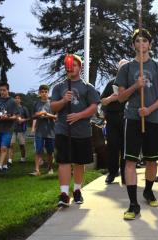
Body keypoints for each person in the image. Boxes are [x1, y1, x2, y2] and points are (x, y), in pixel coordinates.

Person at [116, 29, 158, 220]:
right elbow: (121, 97)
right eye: (137, 41)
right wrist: (135, 86)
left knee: (152, 160)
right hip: (132, 119)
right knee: (130, 160)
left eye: (144, 41)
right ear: (133, 45)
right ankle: (133, 204)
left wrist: (150, 109)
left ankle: (148, 190)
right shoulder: (126, 68)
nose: (141, 44)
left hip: (153, 120)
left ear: (150, 44)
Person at [51, 54, 100, 207]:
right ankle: (64, 194)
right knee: (64, 161)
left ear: (80, 67)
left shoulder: (87, 87)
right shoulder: (59, 87)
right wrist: (64, 100)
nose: (71, 67)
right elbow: (53, 107)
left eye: (74, 65)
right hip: (63, 129)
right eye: (68, 65)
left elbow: (93, 107)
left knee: (79, 162)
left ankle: (77, 190)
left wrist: (79, 115)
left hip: (82, 131)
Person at [101, 59, 128, 184]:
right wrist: (112, 98)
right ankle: (112, 173)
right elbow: (102, 101)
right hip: (112, 119)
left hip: (127, 119)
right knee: (112, 147)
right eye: (121, 67)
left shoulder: (131, 84)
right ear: (118, 69)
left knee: (125, 148)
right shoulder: (111, 83)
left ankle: (125, 174)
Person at [0, 82, 18, 175]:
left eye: (4, 90)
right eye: (0, 90)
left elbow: (16, 117)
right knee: (0, 149)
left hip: (8, 129)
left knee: (4, 148)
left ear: (8, 90)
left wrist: (8, 118)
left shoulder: (13, 102)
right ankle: (5, 165)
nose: (2, 92)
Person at [30, 84, 56, 176]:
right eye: (42, 92)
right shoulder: (36, 103)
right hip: (39, 131)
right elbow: (32, 116)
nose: (44, 93)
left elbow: (57, 117)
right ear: (39, 93)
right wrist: (38, 114)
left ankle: (50, 168)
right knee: (38, 150)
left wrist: (47, 115)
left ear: (48, 93)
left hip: (50, 131)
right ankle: (37, 170)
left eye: (46, 92)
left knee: (50, 152)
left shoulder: (52, 104)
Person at [8, 94, 30, 165]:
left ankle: (23, 158)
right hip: (13, 129)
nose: (17, 99)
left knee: (22, 145)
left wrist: (23, 120)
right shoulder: (11, 108)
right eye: (15, 98)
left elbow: (29, 118)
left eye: (18, 98)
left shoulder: (24, 108)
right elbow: (8, 116)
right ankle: (10, 160)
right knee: (11, 144)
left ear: (20, 100)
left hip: (21, 130)